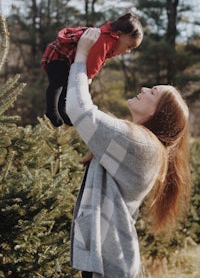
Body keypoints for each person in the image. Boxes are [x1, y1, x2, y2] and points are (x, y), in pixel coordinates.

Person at [66, 29, 191, 278]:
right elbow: (89, 116)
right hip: (110, 261)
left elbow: (79, 110)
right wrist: (87, 71)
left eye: (153, 92)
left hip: (110, 264)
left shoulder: (141, 145)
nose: (144, 89)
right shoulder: (139, 141)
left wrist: (81, 56)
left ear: (160, 114)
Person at [41, 11, 143, 127]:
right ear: (118, 35)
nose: (128, 51)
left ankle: (63, 112)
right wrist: (89, 76)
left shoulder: (108, 42)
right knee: (58, 83)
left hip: (67, 59)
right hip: (59, 55)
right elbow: (95, 60)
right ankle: (52, 111)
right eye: (129, 46)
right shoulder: (105, 40)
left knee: (66, 86)